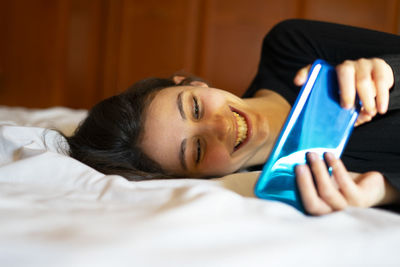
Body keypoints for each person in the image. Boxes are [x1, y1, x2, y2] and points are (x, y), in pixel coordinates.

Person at [66, 19, 400, 215]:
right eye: (196, 150)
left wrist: (389, 73)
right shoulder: (289, 192)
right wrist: (385, 191)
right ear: (199, 178)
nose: (220, 126)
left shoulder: (291, 45)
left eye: (194, 107)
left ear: (192, 83)